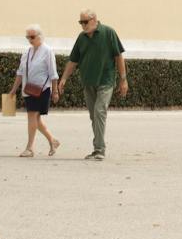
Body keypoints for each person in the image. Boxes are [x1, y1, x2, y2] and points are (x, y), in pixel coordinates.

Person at [56, 9, 126, 161]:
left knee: (99, 112)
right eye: (80, 22)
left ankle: (100, 149)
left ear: (94, 19)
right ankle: (97, 149)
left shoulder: (109, 33)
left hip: (105, 81)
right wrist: (64, 78)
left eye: (85, 22)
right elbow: (73, 60)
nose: (83, 25)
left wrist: (123, 79)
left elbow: (118, 56)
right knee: (94, 117)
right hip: (88, 82)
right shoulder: (81, 38)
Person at [9, 24, 61, 158]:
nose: (30, 40)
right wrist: (13, 90)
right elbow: (20, 72)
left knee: (32, 116)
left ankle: (30, 148)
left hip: (42, 90)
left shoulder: (48, 51)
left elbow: (53, 73)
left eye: (32, 37)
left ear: (40, 36)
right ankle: (52, 141)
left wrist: (55, 91)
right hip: (28, 89)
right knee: (36, 119)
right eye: (28, 37)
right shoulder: (27, 52)